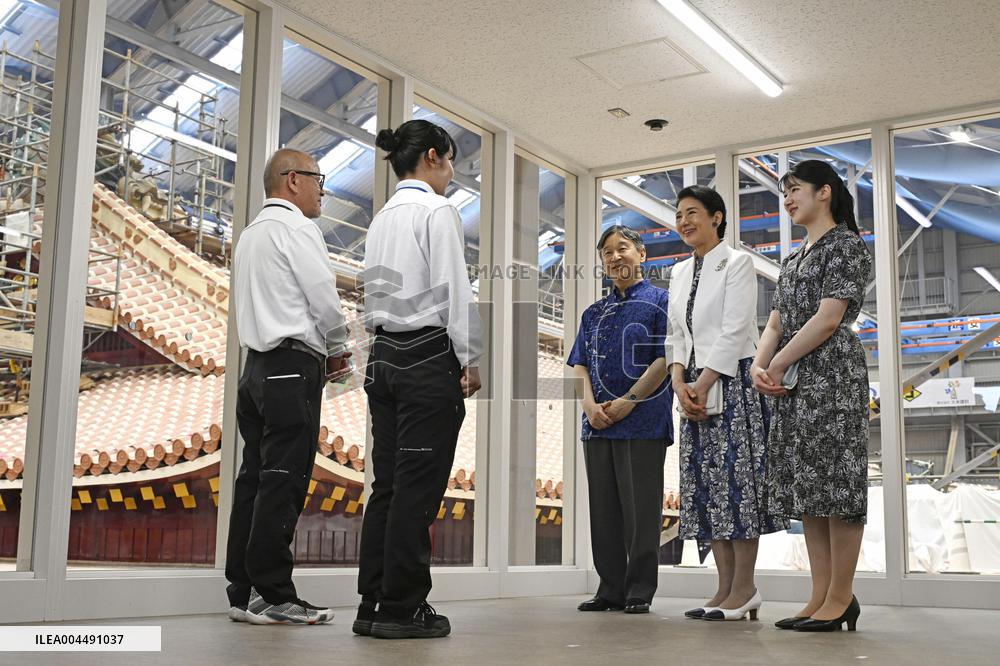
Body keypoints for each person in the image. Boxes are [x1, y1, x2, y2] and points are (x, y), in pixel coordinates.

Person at [356, 119, 483, 639]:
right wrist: (471, 357)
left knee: (386, 485)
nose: (452, 172)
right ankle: (405, 607)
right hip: (425, 355)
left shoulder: (382, 217)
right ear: (432, 156)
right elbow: (454, 287)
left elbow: (369, 295)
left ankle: (373, 602)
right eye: (451, 160)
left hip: (381, 354)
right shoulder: (437, 210)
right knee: (417, 489)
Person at [226, 148, 352, 625]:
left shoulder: (250, 236)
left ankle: (244, 592)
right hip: (291, 366)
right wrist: (340, 346)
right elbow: (323, 297)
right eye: (320, 179)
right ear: (293, 180)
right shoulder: (298, 228)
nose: (323, 190)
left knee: (254, 481)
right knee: (285, 480)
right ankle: (276, 594)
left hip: (255, 371)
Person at [752, 159, 872, 632]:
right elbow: (777, 321)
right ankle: (820, 594)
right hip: (795, 379)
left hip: (832, 376)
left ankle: (841, 596)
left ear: (825, 192)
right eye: (784, 191)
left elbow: (828, 317)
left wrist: (778, 363)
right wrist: (762, 365)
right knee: (811, 487)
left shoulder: (845, 245)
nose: (787, 199)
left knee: (838, 485)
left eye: (795, 189)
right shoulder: (794, 258)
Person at [665, 186, 788, 622]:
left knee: (737, 486)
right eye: (679, 215)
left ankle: (746, 588)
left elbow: (737, 329)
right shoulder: (679, 273)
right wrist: (679, 380)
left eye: (693, 213)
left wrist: (704, 381)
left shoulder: (738, 262)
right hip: (693, 388)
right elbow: (675, 334)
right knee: (707, 489)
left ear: (717, 217)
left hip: (731, 383)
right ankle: (722, 588)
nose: (684, 221)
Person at [567, 225, 672, 615]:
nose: (614, 257)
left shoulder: (662, 301)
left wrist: (629, 402)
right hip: (597, 424)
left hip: (644, 420)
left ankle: (640, 589)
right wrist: (589, 408)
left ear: (641, 254)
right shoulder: (593, 312)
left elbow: (664, 358)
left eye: (622, 248)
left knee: (641, 510)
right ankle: (609, 588)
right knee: (604, 509)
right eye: (607, 253)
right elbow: (578, 363)